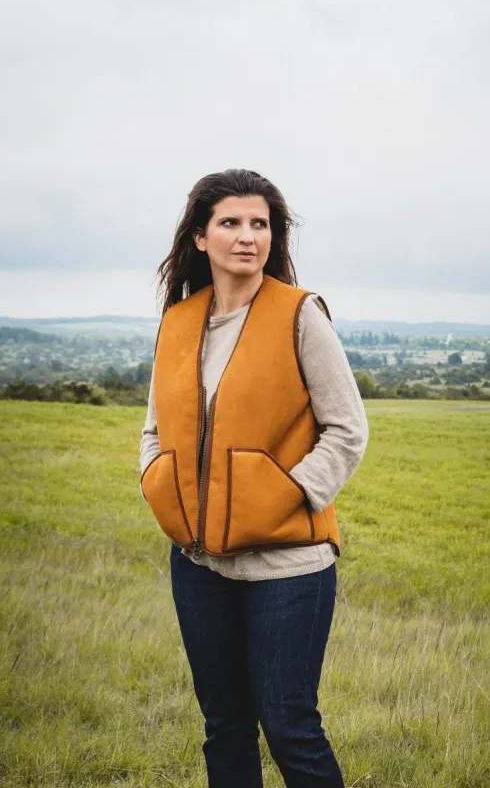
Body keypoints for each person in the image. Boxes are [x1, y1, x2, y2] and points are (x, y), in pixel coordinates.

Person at [139, 169, 368, 787]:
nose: (247, 236)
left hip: (289, 567)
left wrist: (289, 496)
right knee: (224, 725)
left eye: (260, 224)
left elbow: (347, 430)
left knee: (290, 724)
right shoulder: (178, 322)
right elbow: (156, 430)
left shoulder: (300, 315)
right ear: (200, 238)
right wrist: (156, 483)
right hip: (197, 563)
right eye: (231, 223)